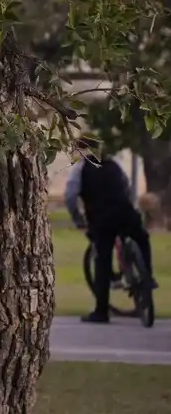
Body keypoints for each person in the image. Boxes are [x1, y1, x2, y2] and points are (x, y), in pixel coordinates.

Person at [67, 138, 157, 323]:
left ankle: (101, 312)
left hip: (101, 220)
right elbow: (126, 186)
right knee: (142, 239)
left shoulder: (80, 169)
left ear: (80, 151)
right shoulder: (113, 164)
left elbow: (70, 197)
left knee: (103, 260)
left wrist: (78, 220)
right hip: (125, 213)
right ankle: (147, 277)